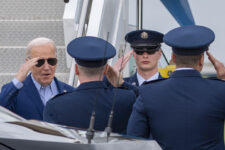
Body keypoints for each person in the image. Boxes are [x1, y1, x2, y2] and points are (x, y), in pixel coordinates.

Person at [127, 25, 225, 150]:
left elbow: (134, 142)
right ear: (201, 60)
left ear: (173, 58)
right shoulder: (220, 91)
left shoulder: (148, 93)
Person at [43, 36, 136, 134]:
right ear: (106, 70)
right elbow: (148, 101)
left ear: (76, 69)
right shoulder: (127, 98)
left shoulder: (55, 105)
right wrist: (122, 83)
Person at [0, 37, 75, 120]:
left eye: (51, 61)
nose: (46, 67)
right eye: (40, 62)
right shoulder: (15, 92)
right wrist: (18, 80)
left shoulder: (70, 92)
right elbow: (2, 108)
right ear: (28, 62)